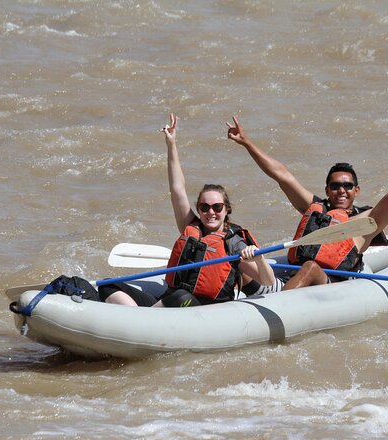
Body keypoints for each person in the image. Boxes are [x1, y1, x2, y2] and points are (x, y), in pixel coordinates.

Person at [226, 116, 388, 290]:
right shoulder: (314, 208)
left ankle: (278, 306)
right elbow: (282, 175)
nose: (341, 190)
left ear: (356, 190)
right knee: (237, 265)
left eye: (348, 186)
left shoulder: (366, 222)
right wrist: (247, 143)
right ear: (327, 190)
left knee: (311, 267)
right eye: (335, 186)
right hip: (293, 275)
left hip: (331, 285)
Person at [99, 113, 279, 307]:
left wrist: (258, 258)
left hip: (195, 307)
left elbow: (268, 281)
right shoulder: (190, 225)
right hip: (169, 301)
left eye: (217, 207)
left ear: (227, 210)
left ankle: (142, 320)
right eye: (204, 207)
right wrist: (171, 145)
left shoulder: (233, 244)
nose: (211, 212)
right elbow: (177, 188)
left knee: (181, 297)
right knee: (108, 286)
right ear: (199, 209)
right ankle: (138, 320)